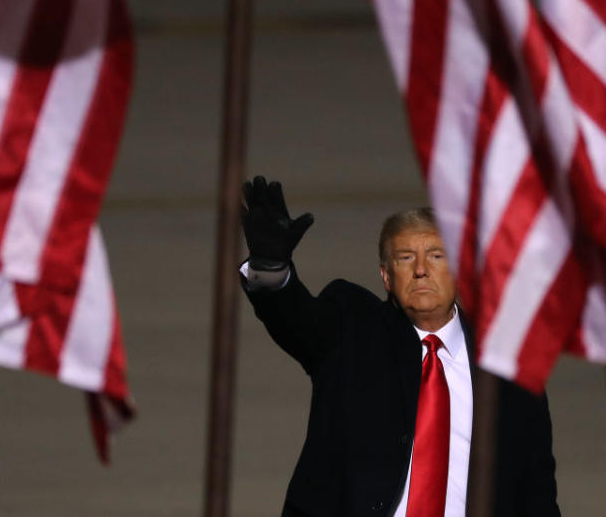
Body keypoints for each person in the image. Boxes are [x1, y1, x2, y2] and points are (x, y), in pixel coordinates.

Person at [240, 176, 560, 517]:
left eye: (436, 255)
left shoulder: (509, 373)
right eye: (406, 258)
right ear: (386, 277)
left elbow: (536, 496)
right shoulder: (351, 330)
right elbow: (297, 320)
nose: (421, 270)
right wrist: (271, 268)